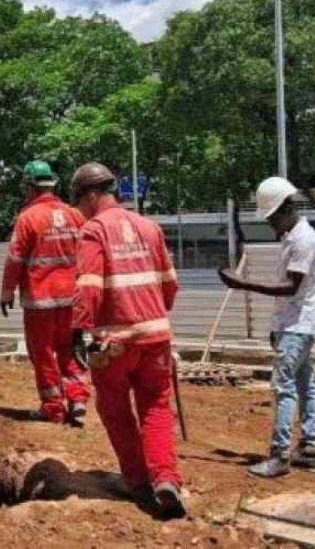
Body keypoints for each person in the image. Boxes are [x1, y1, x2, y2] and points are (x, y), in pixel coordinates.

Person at [68, 162, 185, 519]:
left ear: (91, 195)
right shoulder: (150, 227)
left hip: (113, 341)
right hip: (155, 336)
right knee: (155, 407)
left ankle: (137, 480)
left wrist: (79, 329)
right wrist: (152, 319)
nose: (80, 210)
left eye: (80, 202)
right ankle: (166, 479)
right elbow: (169, 284)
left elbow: (88, 286)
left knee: (115, 410)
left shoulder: (95, 230)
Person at [218, 176, 315, 479]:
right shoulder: (295, 237)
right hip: (295, 324)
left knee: (284, 386)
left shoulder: (303, 240)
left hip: (297, 325)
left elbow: (291, 287)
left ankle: (279, 455)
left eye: (272, 217)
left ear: (285, 209)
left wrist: (242, 284)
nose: (270, 224)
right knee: (305, 384)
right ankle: (310, 445)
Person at [0, 160, 89, 425]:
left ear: (29, 188)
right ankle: (78, 399)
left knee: (43, 353)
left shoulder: (28, 218)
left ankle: (53, 407)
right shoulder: (75, 215)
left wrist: (7, 293)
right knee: (71, 349)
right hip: (73, 298)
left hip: (41, 301)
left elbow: (15, 259)